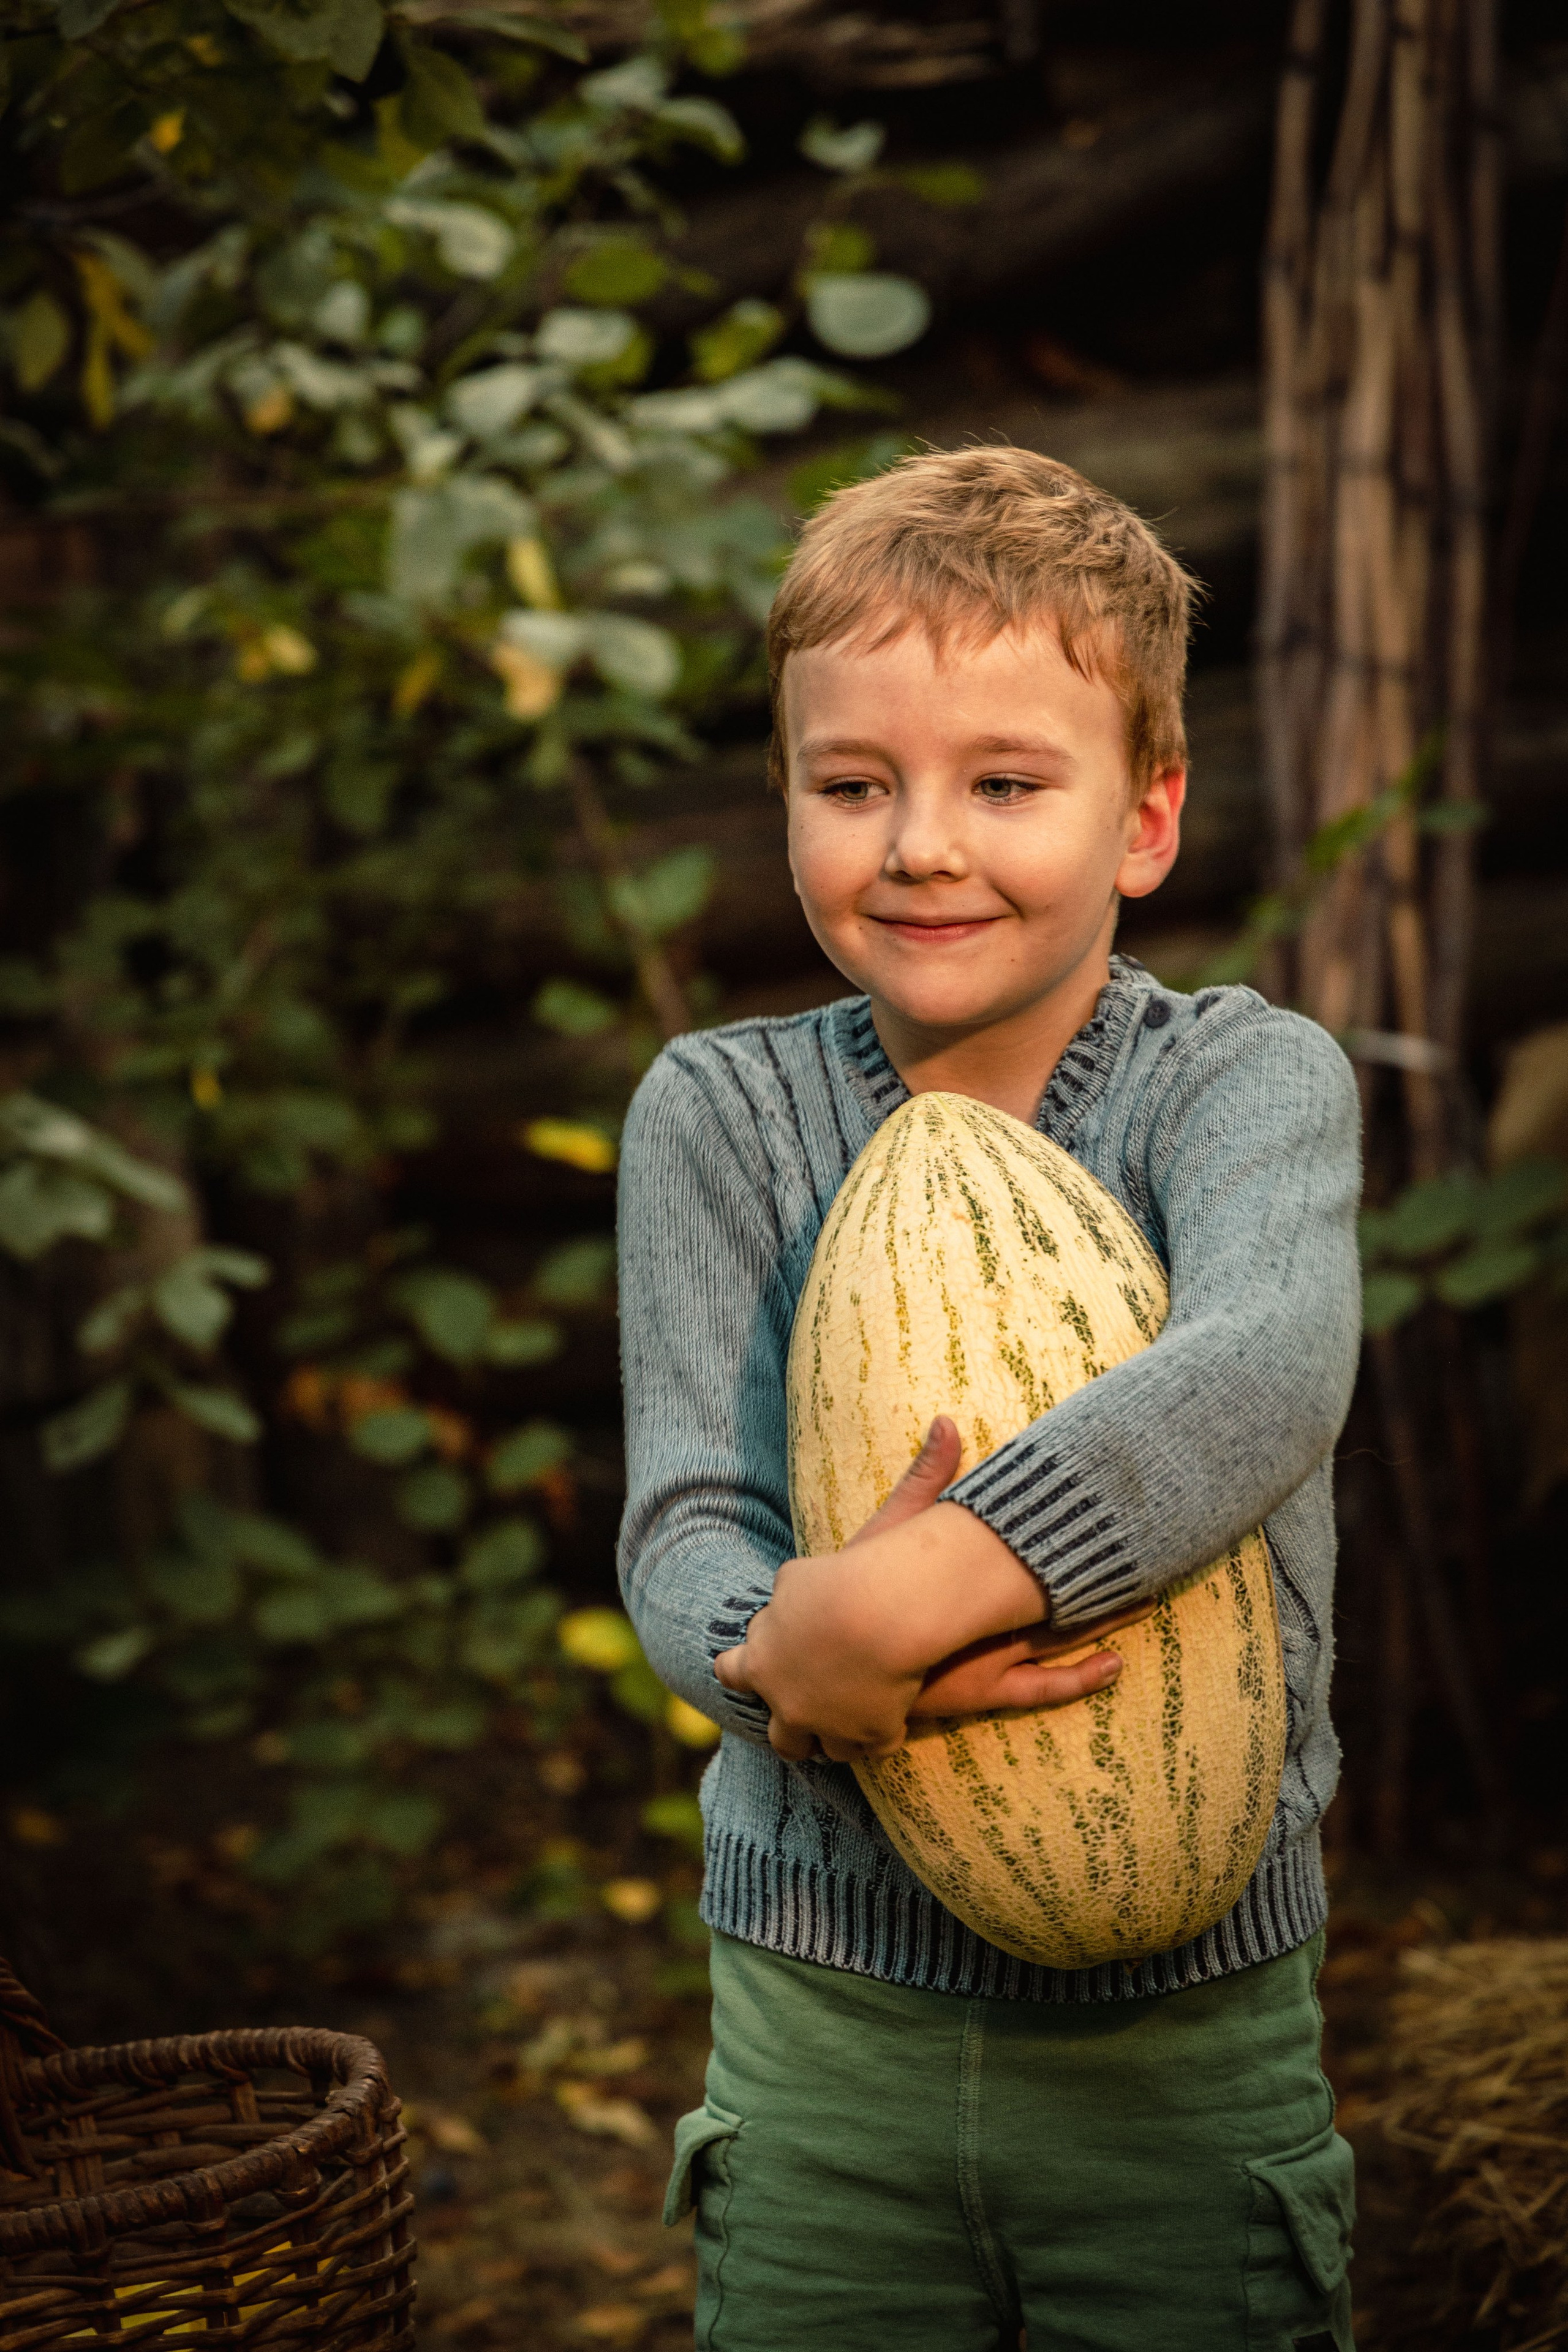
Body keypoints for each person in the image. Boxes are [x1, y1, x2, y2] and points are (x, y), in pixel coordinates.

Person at [615, 446, 1362, 2351]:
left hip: (1187, 2045)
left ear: (1148, 821)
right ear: (787, 803)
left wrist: (942, 1577)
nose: (922, 843)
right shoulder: (719, 1115)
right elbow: (684, 1520)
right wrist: (784, 1651)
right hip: (819, 2023)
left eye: (1006, 785)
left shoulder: (1240, 1088)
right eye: (852, 784)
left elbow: (1266, 1369)